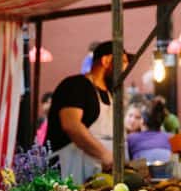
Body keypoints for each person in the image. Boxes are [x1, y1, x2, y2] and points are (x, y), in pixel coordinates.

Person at [46, 40, 124, 181]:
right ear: (106, 61)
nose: (125, 67)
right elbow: (71, 125)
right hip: (69, 174)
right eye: (122, 61)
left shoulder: (110, 94)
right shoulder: (76, 85)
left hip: (99, 176)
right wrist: (105, 155)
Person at [127, 97, 173, 162]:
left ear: (142, 121)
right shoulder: (171, 137)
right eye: (130, 115)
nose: (132, 120)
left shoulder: (131, 139)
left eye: (138, 117)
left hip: (141, 171)